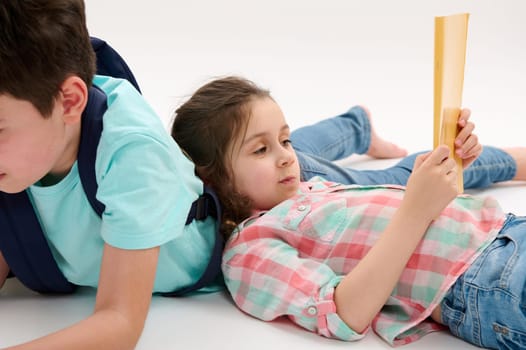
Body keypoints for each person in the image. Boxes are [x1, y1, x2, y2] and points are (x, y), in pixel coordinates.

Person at [171, 76, 526, 349]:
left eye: (286, 140)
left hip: (504, 229)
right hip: (487, 279)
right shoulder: (249, 249)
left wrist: (449, 174)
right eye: (261, 149)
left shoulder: (309, 189)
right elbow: (343, 315)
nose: (286, 156)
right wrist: (415, 210)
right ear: (211, 175)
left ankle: (357, 127)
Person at [0, 1, 220, 349]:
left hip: (241, 217)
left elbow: (119, 323)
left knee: (299, 166)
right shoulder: (20, 149)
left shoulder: (133, 153)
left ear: (70, 102)